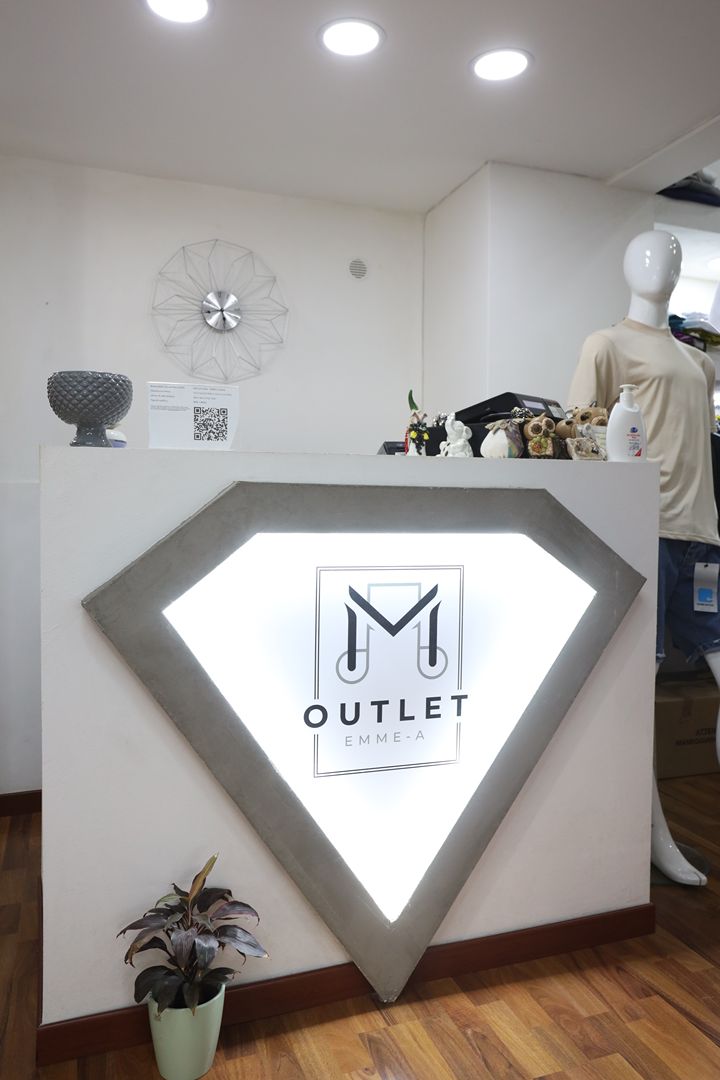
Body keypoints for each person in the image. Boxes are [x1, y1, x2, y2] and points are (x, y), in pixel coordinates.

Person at [569, 229, 719, 887]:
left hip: (703, 535)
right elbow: (579, 441)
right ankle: (657, 840)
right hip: (643, 533)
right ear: (627, 265)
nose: (661, 264)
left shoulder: (701, 363)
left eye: (672, 255)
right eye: (648, 253)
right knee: (641, 693)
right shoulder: (605, 345)